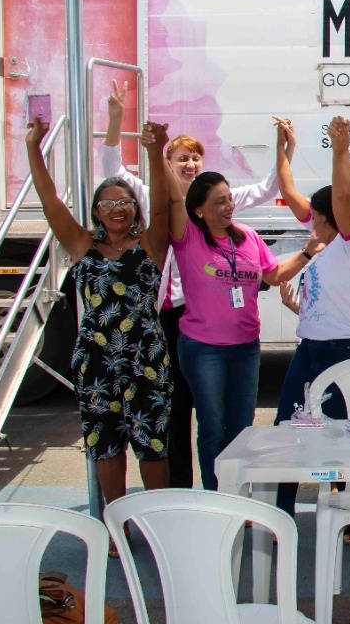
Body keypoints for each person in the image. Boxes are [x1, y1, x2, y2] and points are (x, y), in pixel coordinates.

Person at [101, 79, 288, 488]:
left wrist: (282, 149)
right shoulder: (151, 195)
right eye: (182, 158)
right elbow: (111, 170)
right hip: (165, 318)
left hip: (205, 315)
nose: (189, 165)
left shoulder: (216, 200)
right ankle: (180, 488)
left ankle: (221, 486)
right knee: (175, 408)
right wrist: (116, 119)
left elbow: (267, 189)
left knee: (212, 411)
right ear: (167, 161)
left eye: (195, 159)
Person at [27, 117, 172, 546]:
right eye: (107, 203)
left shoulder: (151, 244)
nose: (117, 208)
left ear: (135, 208)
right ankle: (117, 529)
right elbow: (50, 199)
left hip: (146, 357)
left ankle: (156, 523)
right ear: (95, 211)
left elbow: (163, 205)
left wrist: (154, 152)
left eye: (124, 201)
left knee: (152, 444)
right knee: (105, 445)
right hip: (95, 359)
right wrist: (34, 147)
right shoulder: (81, 246)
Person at [168, 169, 311, 490]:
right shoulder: (188, 236)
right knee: (213, 426)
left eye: (230, 199)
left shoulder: (247, 236)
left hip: (246, 348)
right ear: (199, 210)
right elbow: (174, 198)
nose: (229, 206)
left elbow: (273, 276)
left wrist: (307, 252)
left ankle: (238, 491)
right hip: (204, 349)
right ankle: (215, 495)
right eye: (219, 202)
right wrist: (158, 150)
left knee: (242, 428)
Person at [270, 117, 350, 517]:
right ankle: (281, 511)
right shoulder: (319, 240)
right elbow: (287, 188)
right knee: (289, 428)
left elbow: (344, 200)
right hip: (311, 346)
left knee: (340, 435)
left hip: (346, 350)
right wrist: (285, 148)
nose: (308, 219)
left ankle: (346, 511)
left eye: (315, 215)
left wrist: (339, 149)